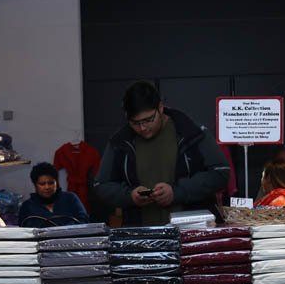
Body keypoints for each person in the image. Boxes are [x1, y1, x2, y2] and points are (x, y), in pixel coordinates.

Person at [94, 81, 230, 226]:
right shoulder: (119, 141)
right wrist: (130, 196)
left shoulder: (191, 132)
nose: (143, 128)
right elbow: (101, 185)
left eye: (148, 120)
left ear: (160, 107)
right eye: (135, 123)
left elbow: (220, 173)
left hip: (191, 231)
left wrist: (177, 192)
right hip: (141, 234)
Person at [19, 162, 89, 227]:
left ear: (57, 183)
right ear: (35, 185)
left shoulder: (70, 198)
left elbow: (84, 220)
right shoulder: (27, 206)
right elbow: (23, 231)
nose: (47, 187)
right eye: (42, 184)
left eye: (51, 183)